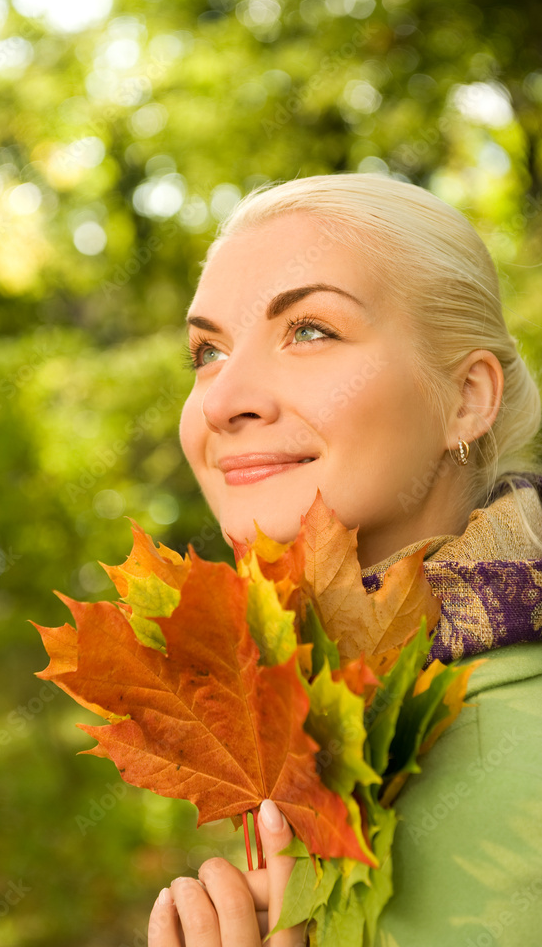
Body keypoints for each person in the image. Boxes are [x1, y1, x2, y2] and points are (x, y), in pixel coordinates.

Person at [147, 174, 542, 946]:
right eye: (207, 350)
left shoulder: (514, 755)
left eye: (309, 330)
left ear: (464, 398)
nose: (224, 399)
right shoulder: (305, 715)